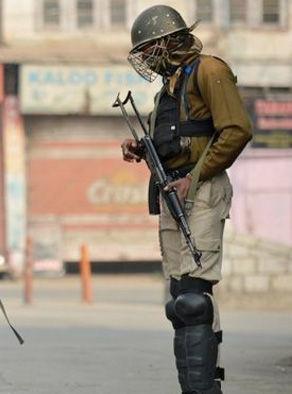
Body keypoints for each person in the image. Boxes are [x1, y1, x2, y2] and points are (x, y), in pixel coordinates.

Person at [121, 5, 251, 394]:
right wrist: (142, 150)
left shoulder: (209, 71)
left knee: (194, 299)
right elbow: (180, 140)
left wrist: (194, 178)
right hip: (175, 191)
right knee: (181, 301)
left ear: (164, 42)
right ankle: (196, 386)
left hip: (202, 190)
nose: (143, 59)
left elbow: (236, 130)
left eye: (146, 49)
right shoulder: (170, 87)